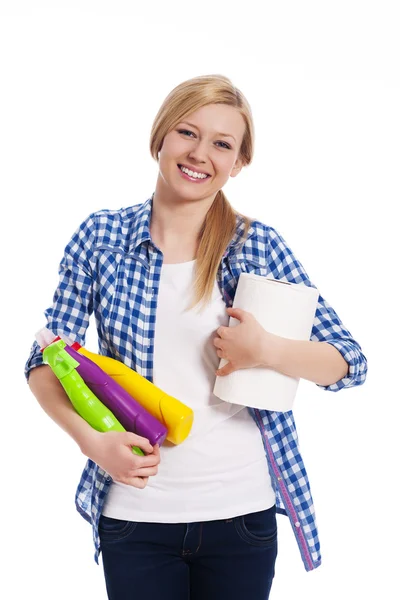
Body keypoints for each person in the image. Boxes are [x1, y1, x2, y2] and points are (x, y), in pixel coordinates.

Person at [25, 74, 368, 600]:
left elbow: (348, 362)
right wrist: (94, 444)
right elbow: (46, 359)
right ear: (160, 137)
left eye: (222, 144)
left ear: (238, 163)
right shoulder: (101, 237)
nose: (200, 153)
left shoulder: (255, 245)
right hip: (135, 516)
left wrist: (268, 351)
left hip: (241, 518)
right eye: (188, 132)